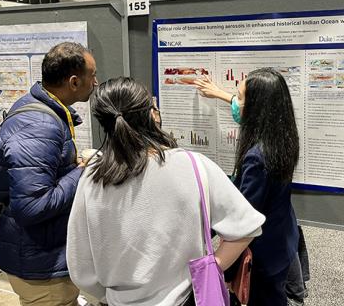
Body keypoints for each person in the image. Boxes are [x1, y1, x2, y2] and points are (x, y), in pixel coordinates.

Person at [66, 77, 265, 306]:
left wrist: (109, 296)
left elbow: (80, 266)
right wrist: (211, 267)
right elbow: (247, 226)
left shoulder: (91, 178)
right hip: (185, 298)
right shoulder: (192, 164)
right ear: (151, 115)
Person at [0, 42, 98, 306]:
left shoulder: (42, 109)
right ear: (74, 81)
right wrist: (82, 172)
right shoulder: (40, 126)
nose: (96, 82)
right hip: (41, 266)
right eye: (92, 76)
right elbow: (31, 206)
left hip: (39, 255)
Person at [195, 68, 300, 306]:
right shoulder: (283, 138)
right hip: (281, 236)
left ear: (258, 108)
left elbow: (243, 216)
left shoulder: (257, 157)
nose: (236, 103)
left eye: (240, 98)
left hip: (263, 252)